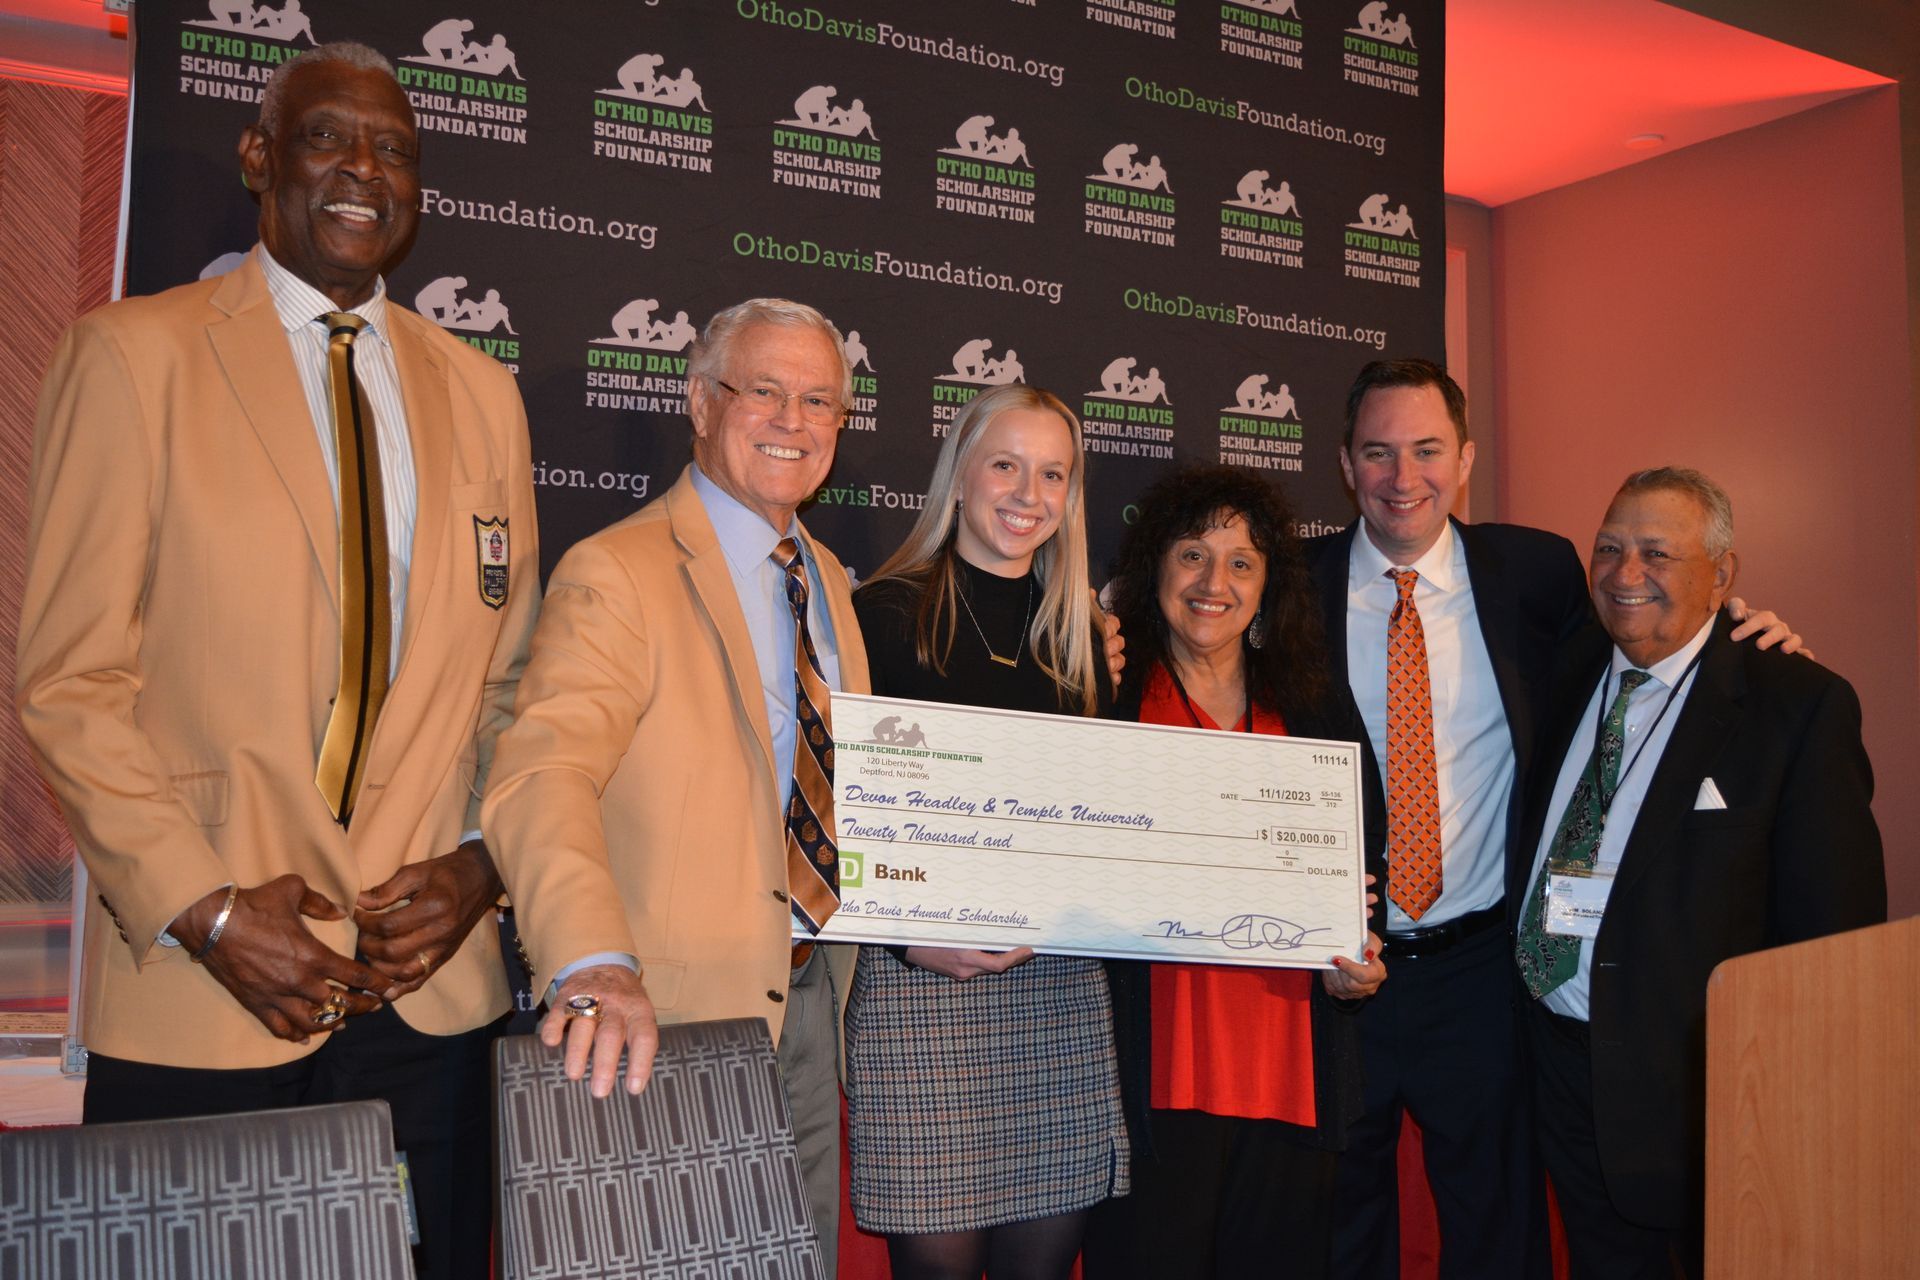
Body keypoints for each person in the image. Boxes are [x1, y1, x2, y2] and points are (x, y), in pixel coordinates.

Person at [16, 42, 538, 1280]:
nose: (365, 170)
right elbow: (69, 683)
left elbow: (512, 689)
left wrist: (481, 866)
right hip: (206, 993)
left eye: (396, 150)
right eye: (327, 139)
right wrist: (203, 908)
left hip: (429, 1005)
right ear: (259, 158)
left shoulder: (484, 394)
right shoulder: (134, 356)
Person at [1313, 359, 1801, 1280]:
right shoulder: (1293, 585)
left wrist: (1740, 631)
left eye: (1426, 450)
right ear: (1346, 463)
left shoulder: (1532, 571)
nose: (1402, 477)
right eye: (1378, 452)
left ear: (1465, 459)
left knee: (1500, 1228)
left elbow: (1651, 630)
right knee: (1344, 1226)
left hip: (1485, 974)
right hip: (1342, 976)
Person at [481, 298, 864, 1271]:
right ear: (700, 400)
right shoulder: (617, 571)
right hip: (658, 1019)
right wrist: (592, 961)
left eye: (820, 399)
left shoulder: (834, 584)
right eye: (764, 390)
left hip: (812, 1004)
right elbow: (544, 773)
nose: (793, 419)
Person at [1513, 468, 1883, 1278]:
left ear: (1722, 576)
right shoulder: (1568, 668)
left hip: (1699, 1098)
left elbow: (1833, 940)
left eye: (1656, 553)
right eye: (1609, 548)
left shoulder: (1795, 705)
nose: (1624, 574)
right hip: (1553, 1062)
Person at [844, 383, 1127, 1280]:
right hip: (919, 992)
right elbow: (833, 808)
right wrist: (904, 937)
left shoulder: (1083, 637)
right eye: (1006, 463)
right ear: (960, 474)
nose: (1027, 493)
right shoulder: (881, 616)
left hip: (1057, 992)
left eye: (1053, 473)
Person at [1082, 465, 1388, 1278]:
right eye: (1192, 555)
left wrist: (1357, 956)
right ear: (1155, 570)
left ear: (1266, 588)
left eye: (1241, 563)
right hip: (1149, 1067)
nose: (1214, 582)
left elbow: (1365, 855)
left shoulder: (1312, 700)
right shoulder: (1105, 691)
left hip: (1288, 1062)